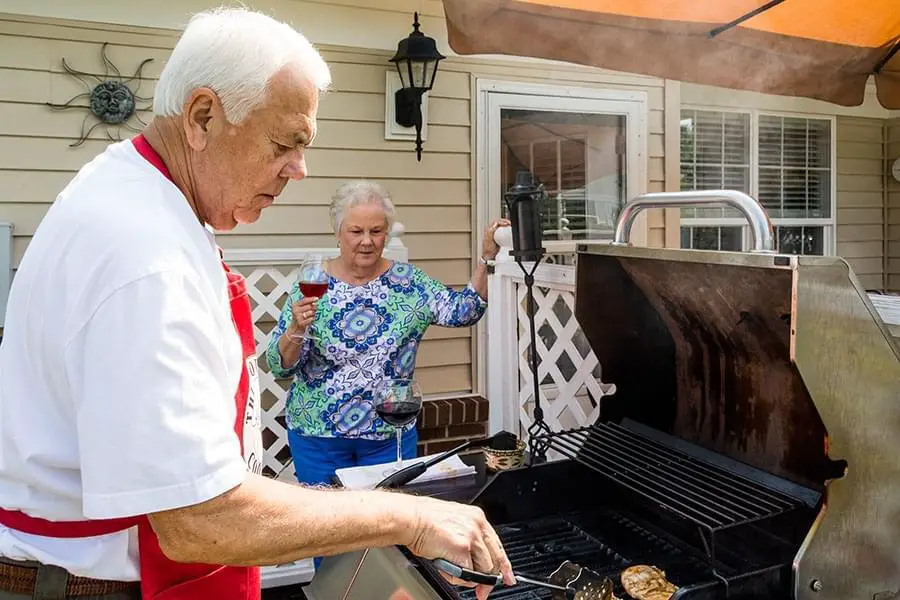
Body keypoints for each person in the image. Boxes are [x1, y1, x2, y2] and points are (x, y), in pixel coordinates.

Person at [0, 8, 512, 600]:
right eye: (284, 143)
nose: (300, 168)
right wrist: (413, 517)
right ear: (202, 117)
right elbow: (201, 518)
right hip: (95, 585)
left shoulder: (137, 199)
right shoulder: (146, 256)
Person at [266, 180, 509, 489]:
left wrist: (487, 258)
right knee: (328, 530)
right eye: (356, 231)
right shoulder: (313, 280)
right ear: (337, 232)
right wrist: (296, 329)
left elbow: (465, 310)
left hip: (388, 434)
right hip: (317, 435)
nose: (366, 241)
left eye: (376, 231)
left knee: (386, 528)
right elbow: (279, 364)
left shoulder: (408, 283)